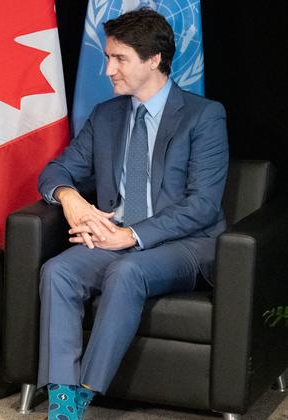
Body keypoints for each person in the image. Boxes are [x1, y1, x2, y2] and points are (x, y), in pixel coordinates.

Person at [36, 8, 228, 420]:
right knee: (59, 271)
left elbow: (202, 205)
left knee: (127, 272)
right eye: (108, 57)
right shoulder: (107, 116)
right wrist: (70, 198)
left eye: (119, 58)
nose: (107, 69)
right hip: (113, 235)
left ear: (154, 58)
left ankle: (87, 391)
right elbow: (55, 171)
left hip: (185, 244)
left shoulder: (204, 116)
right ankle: (62, 404)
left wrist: (130, 237)